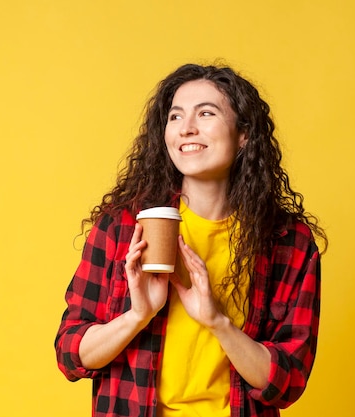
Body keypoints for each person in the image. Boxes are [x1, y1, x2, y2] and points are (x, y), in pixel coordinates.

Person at [54, 63, 327, 417]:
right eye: (175, 117)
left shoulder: (288, 243)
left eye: (206, 113)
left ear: (244, 134)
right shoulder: (122, 227)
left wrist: (218, 321)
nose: (186, 129)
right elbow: (70, 354)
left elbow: (287, 382)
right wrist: (138, 315)